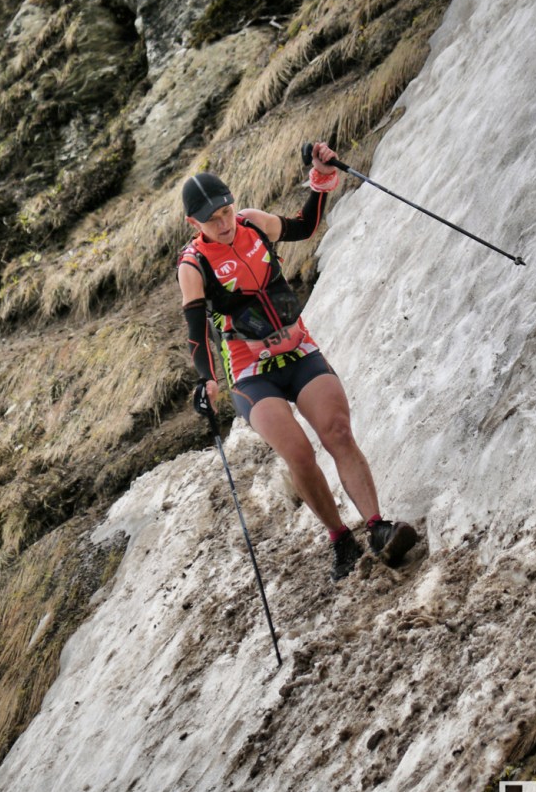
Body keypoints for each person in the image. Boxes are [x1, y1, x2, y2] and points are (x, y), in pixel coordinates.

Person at [177, 141, 418, 581]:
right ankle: (340, 539)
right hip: (250, 372)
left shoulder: (254, 224)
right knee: (299, 453)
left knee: (338, 431)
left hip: (298, 349)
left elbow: (305, 226)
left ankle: (378, 529)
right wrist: (206, 380)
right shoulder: (193, 265)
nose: (225, 224)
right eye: (213, 221)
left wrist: (320, 178)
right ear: (195, 224)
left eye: (227, 212)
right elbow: (196, 333)